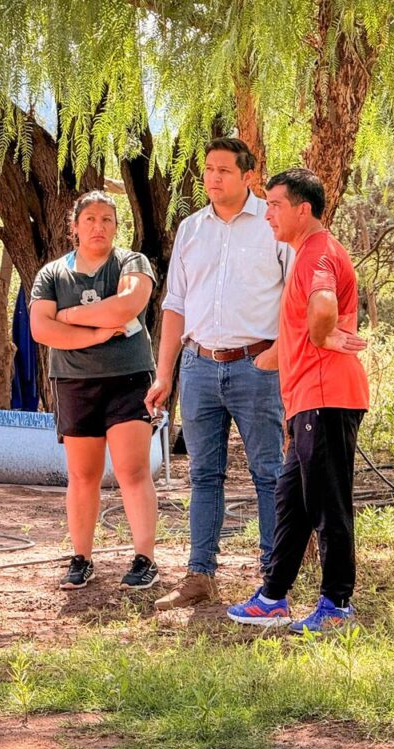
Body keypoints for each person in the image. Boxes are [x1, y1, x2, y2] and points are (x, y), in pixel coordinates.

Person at [147, 138, 291, 610]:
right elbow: (174, 305)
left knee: (268, 473)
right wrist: (164, 375)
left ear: (248, 176)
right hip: (198, 366)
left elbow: (295, 298)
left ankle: (273, 580)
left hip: (258, 366)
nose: (213, 177)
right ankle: (199, 576)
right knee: (203, 474)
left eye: (224, 170)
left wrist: (278, 357)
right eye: (208, 169)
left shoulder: (273, 225)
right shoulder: (191, 229)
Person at [227, 168, 369, 633]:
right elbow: (299, 334)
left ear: (302, 210)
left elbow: (323, 305)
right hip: (309, 399)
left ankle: (337, 606)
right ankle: (273, 598)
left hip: (326, 397)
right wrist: (263, 358)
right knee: (292, 502)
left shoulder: (316, 253)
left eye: (275, 205)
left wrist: (323, 337)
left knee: (328, 504)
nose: (267, 214)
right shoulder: (307, 253)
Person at [29, 191, 161, 592]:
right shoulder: (52, 274)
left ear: (117, 227)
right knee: (83, 474)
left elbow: (126, 306)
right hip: (74, 383)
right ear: (74, 227)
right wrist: (99, 333)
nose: (98, 227)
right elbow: (42, 329)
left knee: (132, 470)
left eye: (107, 220)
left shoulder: (132, 263)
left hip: (128, 379)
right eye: (90, 219)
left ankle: (144, 558)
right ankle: (81, 558)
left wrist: (70, 316)